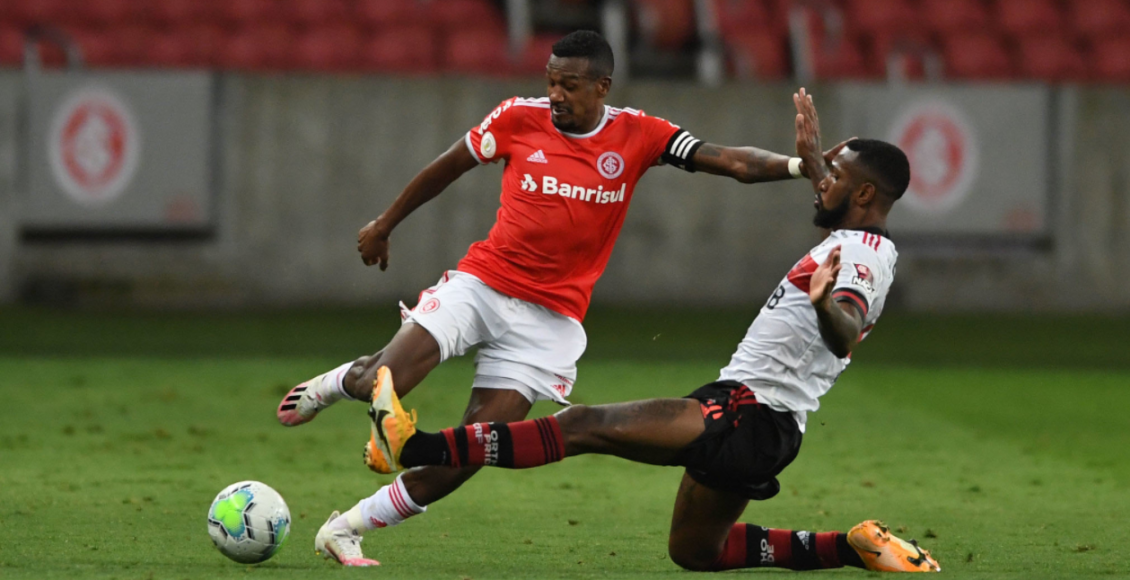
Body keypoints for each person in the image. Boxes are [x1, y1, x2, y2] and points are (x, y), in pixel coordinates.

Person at [276, 30, 822, 566]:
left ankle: (345, 530)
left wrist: (801, 167)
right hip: (483, 285)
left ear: (602, 86)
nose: (556, 94)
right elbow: (450, 163)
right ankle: (333, 385)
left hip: (549, 322)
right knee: (383, 380)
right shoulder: (518, 117)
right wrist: (385, 223)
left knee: (472, 449)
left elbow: (730, 161)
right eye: (551, 82)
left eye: (570, 86)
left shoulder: (640, 134)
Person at [359, 94, 941, 573]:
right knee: (694, 551)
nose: (823, 181)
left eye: (836, 175)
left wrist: (823, 308)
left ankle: (414, 447)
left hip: (748, 412)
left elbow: (844, 327)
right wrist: (810, 164)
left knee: (583, 425)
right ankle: (853, 545)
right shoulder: (861, 244)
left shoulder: (857, 252)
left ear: (865, 195)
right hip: (766, 425)